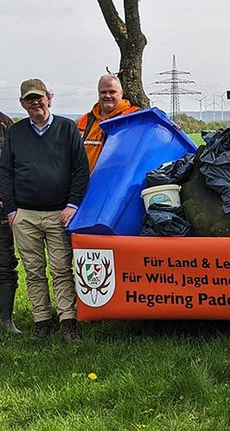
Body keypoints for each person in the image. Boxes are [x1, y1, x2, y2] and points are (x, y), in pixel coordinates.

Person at [0, 79, 89, 342]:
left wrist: (72, 204)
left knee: (62, 269)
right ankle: (41, 320)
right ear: (22, 103)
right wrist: (12, 211)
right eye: (29, 99)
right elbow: (5, 172)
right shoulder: (15, 133)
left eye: (39, 97)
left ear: (49, 97)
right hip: (24, 215)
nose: (35, 103)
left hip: (59, 213)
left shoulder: (67, 128)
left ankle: (67, 321)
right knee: (34, 271)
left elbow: (81, 170)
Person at [77, 74, 139, 171]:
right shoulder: (85, 120)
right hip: (87, 182)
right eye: (103, 92)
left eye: (112, 92)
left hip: (118, 181)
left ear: (121, 93)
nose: (107, 95)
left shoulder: (134, 117)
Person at [0, 110, 20, 333]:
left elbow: (13, 166)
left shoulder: (5, 125)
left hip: (2, 206)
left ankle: (6, 321)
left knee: (5, 263)